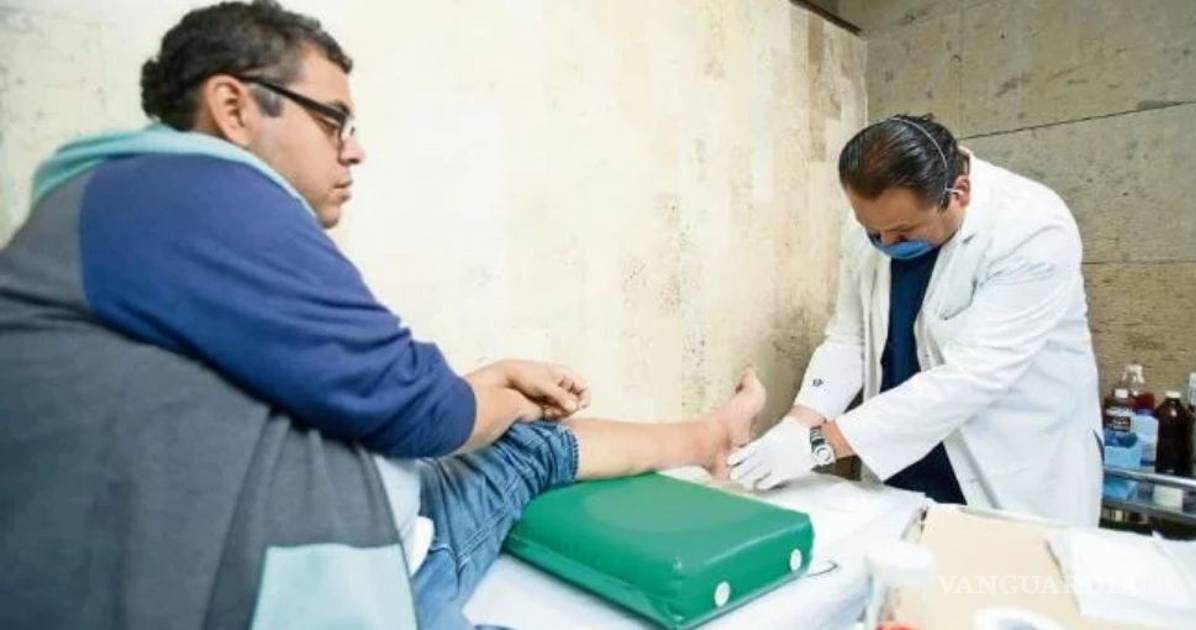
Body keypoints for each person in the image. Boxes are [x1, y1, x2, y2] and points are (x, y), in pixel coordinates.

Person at [0, 2, 764, 629]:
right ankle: (710, 435)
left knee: (527, 446)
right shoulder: (189, 194)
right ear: (233, 107)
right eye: (333, 121)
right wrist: (502, 398)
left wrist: (494, 382)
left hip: (385, 520)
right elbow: (423, 411)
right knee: (524, 439)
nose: (354, 151)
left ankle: (710, 435)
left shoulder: (130, 207)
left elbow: (365, 388)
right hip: (370, 581)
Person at [729, 114, 1103, 527]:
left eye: (903, 232)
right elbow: (849, 341)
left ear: (959, 193)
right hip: (903, 460)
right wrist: (798, 425)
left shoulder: (1032, 229)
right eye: (873, 231)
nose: (885, 243)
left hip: (1011, 465)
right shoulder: (875, 222)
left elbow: (972, 376)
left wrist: (820, 444)